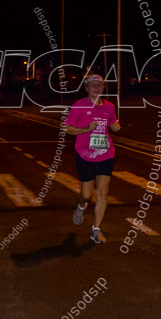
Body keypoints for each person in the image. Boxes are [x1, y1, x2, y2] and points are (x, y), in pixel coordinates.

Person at [63, 74, 121, 244]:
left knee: (103, 192)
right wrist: (85, 129)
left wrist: (115, 126)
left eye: (99, 85)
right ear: (87, 88)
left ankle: (96, 229)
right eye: (92, 85)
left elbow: (113, 121)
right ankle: (81, 206)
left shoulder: (109, 106)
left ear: (103, 88)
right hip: (84, 155)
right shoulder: (79, 106)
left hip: (105, 153)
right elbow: (66, 128)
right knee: (87, 194)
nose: (96, 88)